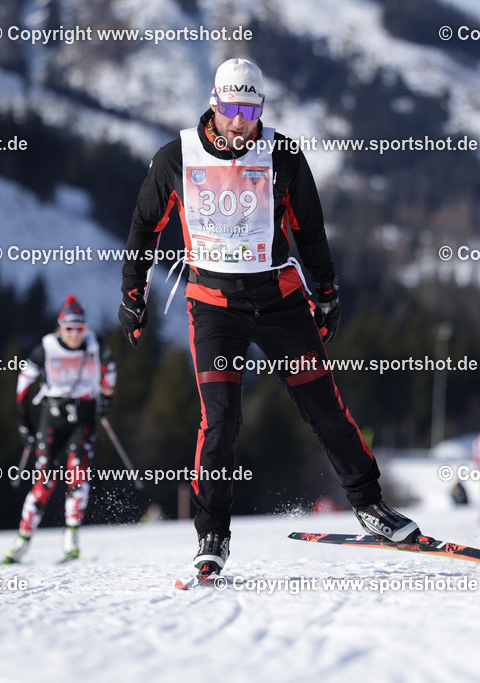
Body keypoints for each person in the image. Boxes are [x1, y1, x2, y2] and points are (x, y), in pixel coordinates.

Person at [118, 57, 424, 577]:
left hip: (281, 302)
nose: (241, 120)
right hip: (214, 307)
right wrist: (132, 293)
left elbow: (309, 228)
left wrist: (326, 291)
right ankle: (212, 533)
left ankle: (370, 506)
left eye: (251, 108)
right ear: (215, 104)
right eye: (232, 107)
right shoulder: (176, 157)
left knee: (324, 407)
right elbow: (145, 225)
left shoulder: (282, 153)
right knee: (220, 422)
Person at [2, 295, 116, 563]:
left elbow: (109, 370)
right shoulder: (46, 348)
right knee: (44, 481)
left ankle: (71, 539)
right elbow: (23, 384)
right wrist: (23, 422)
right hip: (53, 416)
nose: (74, 334)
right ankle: (22, 540)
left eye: (79, 327)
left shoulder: (96, 344)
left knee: (78, 473)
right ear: (60, 327)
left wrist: (107, 400)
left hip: (84, 414)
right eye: (69, 328)